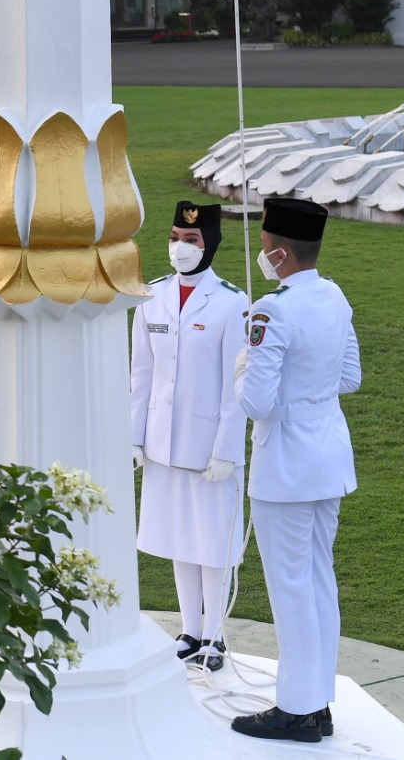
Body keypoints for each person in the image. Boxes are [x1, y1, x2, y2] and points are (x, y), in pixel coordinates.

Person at [229, 198, 361, 745]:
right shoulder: (334, 296)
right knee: (317, 581)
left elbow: (255, 402)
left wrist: (242, 369)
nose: (263, 256)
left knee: (290, 588)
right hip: (328, 455)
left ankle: (297, 708)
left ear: (280, 252)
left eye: (264, 248)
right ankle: (317, 700)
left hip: (286, 462)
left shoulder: (273, 310)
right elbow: (349, 377)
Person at [130, 201, 248, 671]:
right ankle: (190, 629)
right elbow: (141, 372)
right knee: (180, 537)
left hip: (207, 446)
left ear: (211, 244)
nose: (180, 247)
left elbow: (234, 387)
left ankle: (216, 635)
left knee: (212, 542)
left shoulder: (232, 303)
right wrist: (134, 437)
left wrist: (226, 449)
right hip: (163, 440)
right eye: (176, 237)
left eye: (192, 240)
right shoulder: (151, 295)